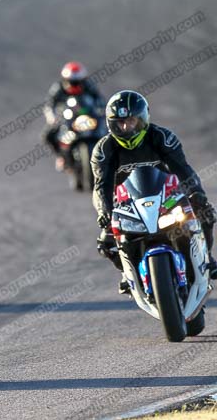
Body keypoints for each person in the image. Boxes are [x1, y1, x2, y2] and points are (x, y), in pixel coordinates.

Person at [92, 90, 217, 293]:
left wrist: (197, 194)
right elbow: (101, 186)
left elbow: (183, 169)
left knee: (205, 213)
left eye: (131, 121)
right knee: (106, 242)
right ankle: (127, 271)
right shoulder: (104, 149)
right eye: (119, 123)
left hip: (168, 196)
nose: (126, 128)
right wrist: (104, 211)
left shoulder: (162, 137)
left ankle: (207, 259)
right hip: (127, 204)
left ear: (142, 119)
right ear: (110, 124)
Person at [42, 61, 105, 171]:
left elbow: (99, 100)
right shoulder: (59, 87)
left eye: (77, 82)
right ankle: (61, 157)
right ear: (65, 80)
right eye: (72, 82)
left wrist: (101, 110)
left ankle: (108, 157)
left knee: (107, 131)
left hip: (88, 115)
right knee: (48, 135)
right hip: (68, 117)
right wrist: (52, 117)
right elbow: (50, 104)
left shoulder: (89, 86)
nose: (75, 85)